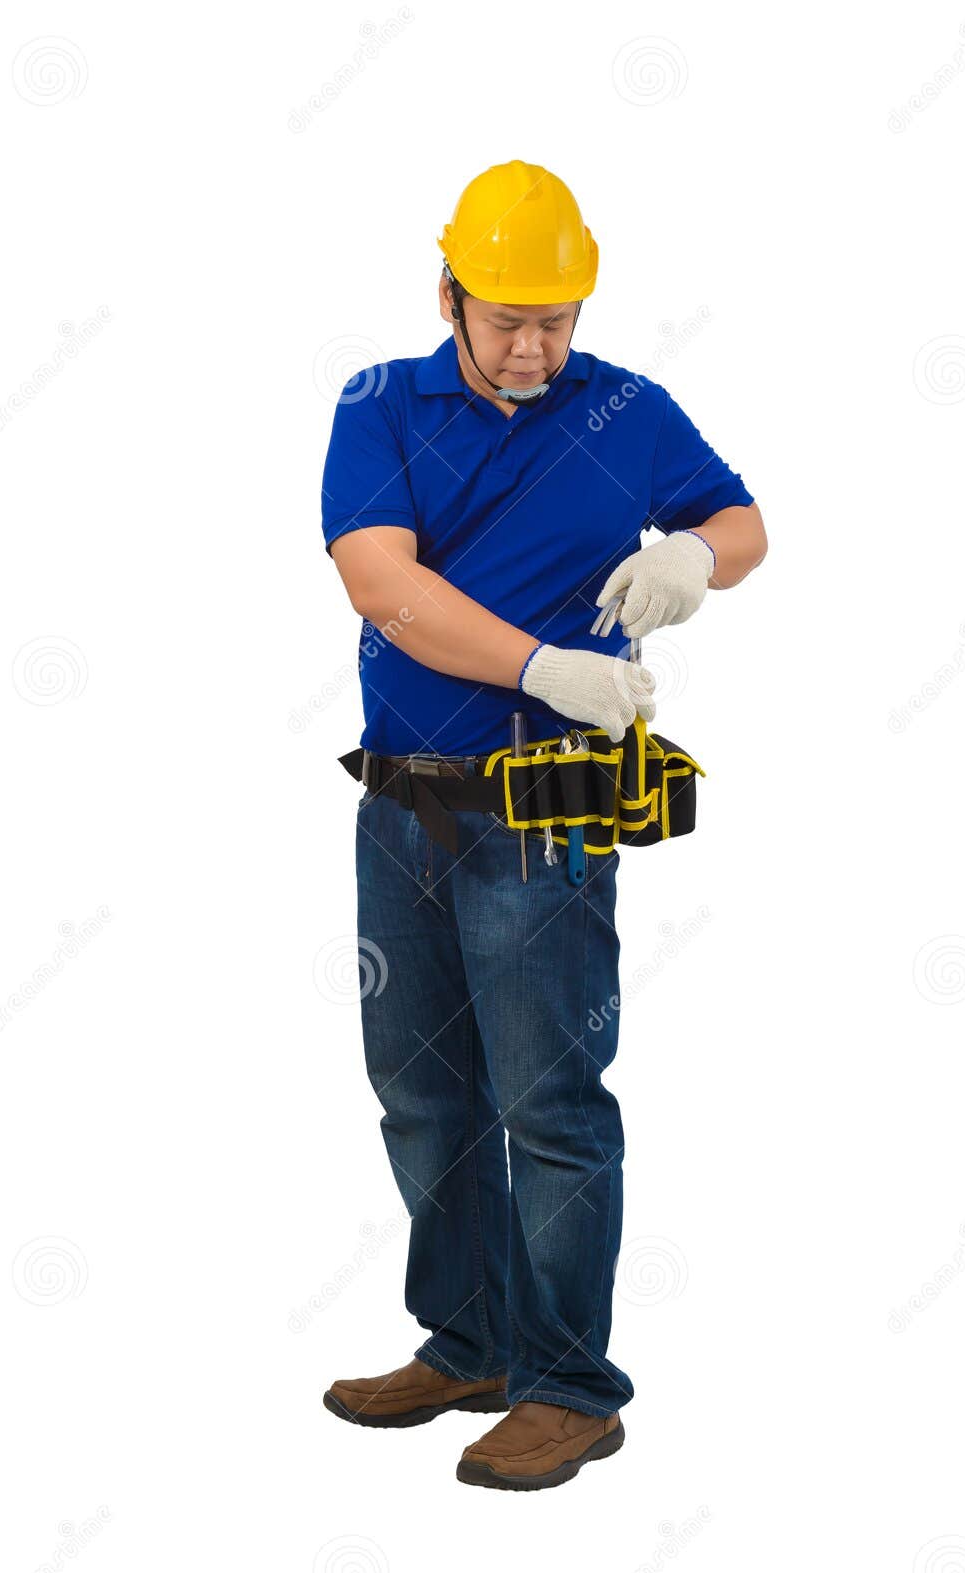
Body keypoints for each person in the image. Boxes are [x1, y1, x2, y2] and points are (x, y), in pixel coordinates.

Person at [319, 160, 766, 1492]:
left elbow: (739, 521)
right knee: (421, 1092)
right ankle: (470, 1344)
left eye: (556, 318)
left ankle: (571, 1385)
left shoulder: (628, 407)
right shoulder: (379, 403)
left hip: (545, 814)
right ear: (449, 294)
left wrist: (695, 556)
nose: (532, 345)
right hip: (401, 800)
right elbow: (380, 579)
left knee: (549, 1102)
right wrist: (541, 665)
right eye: (508, 315)